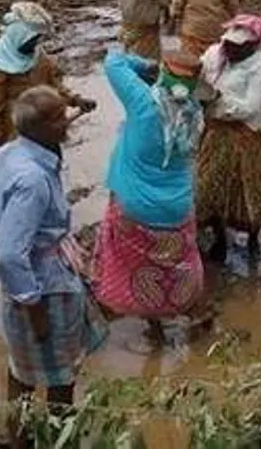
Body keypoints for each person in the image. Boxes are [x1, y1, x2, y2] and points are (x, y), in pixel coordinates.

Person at [0, 86, 108, 446]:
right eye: (59, 118)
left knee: (21, 366)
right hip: (43, 288)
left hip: (29, 280)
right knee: (60, 373)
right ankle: (57, 437)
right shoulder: (33, 182)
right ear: (40, 127)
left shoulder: (10, 152)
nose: (68, 121)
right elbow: (10, 254)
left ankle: (16, 433)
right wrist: (34, 305)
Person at [91, 49, 206, 344]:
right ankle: (192, 314)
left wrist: (147, 64)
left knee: (135, 266)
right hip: (177, 207)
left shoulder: (143, 103)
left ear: (163, 75)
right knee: (178, 265)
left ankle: (153, 326)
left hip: (135, 205)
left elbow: (113, 61)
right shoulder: (195, 115)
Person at [196, 15, 261, 262]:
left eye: (237, 46)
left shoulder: (259, 71)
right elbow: (197, 72)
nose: (229, 49)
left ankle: (252, 238)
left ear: (253, 46)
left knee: (246, 188)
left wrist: (218, 102)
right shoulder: (216, 54)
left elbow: (249, 107)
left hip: (245, 134)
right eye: (228, 43)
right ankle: (219, 235)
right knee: (209, 184)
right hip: (215, 132)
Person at [0, 2, 95, 164]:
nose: (35, 43)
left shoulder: (38, 57)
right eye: (32, 39)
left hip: (46, 131)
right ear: (19, 35)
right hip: (18, 139)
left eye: (38, 39)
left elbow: (55, 88)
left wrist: (76, 100)